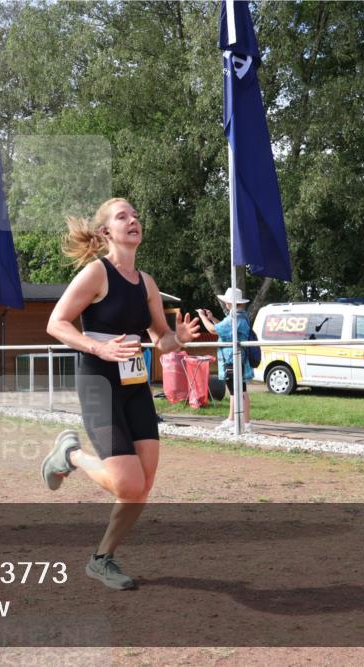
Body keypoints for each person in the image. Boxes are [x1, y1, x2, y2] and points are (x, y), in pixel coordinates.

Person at [41, 198, 201, 590]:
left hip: (134, 384)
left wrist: (174, 339)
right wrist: (98, 348)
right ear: (105, 232)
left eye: (135, 215)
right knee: (128, 484)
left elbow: (159, 338)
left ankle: (102, 559)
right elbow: (55, 323)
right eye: (122, 216)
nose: (133, 220)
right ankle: (71, 455)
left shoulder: (147, 283)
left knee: (141, 486)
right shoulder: (96, 273)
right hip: (98, 379)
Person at [197, 288, 254, 430]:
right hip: (238, 358)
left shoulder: (234, 318)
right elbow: (222, 327)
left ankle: (238, 421)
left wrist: (202, 317)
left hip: (232, 359)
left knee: (236, 391)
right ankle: (238, 421)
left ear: (230, 303)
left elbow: (212, 330)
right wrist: (211, 318)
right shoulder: (241, 316)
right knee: (240, 390)